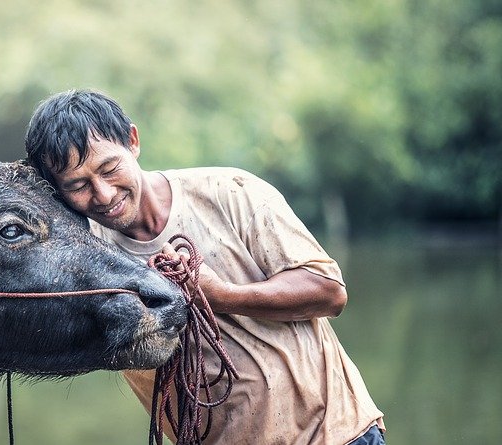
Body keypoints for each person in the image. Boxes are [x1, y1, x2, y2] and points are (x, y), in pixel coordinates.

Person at [24, 89, 385, 445]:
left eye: (109, 169)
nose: (103, 194)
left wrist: (222, 296)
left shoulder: (232, 192)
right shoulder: (84, 257)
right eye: (78, 185)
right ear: (57, 191)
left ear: (133, 141)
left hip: (334, 433)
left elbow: (329, 292)